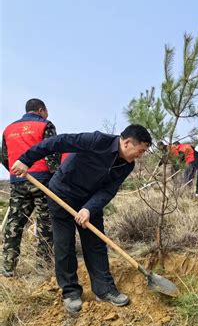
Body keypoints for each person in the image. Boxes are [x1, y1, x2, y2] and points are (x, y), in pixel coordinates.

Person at [10, 125, 152, 314]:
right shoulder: (96, 141)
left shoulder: (127, 164)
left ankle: (104, 290)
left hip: (89, 201)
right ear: (127, 143)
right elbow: (57, 142)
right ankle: (71, 292)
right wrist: (26, 159)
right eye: (140, 150)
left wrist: (88, 208)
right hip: (61, 193)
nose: (140, 155)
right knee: (64, 243)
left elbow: (108, 190)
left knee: (96, 243)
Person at [0, 99, 59, 277]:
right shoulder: (45, 125)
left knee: (15, 223)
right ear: (41, 110)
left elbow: (4, 157)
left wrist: (15, 172)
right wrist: (56, 179)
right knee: (45, 224)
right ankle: (43, 266)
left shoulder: (8, 129)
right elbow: (52, 155)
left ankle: (8, 267)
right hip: (42, 183)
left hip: (18, 181)